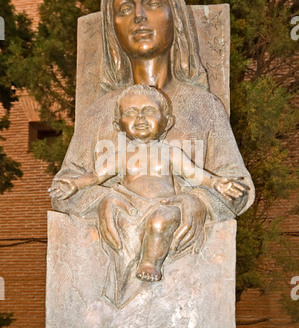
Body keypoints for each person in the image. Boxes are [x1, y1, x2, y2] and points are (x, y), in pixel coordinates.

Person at [49, 0, 254, 299]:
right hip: (104, 288)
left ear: (176, 18)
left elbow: (240, 189)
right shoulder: (98, 113)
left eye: (153, 3)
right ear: (111, 28)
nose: (139, 16)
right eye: (125, 8)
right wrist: (102, 199)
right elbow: (63, 189)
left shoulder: (204, 107)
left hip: (187, 292)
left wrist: (198, 202)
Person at [50, 84, 247, 282]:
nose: (140, 118)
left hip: (163, 205)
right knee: (115, 213)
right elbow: (96, 176)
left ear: (168, 122)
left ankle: (151, 262)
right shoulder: (121, 156)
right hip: (131, 205)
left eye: (149, 111)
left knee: (161, 222)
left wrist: (216, 183)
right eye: (131, 112)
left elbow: (194, 174)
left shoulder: (170, 153)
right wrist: (74, 184)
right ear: (118, 125)